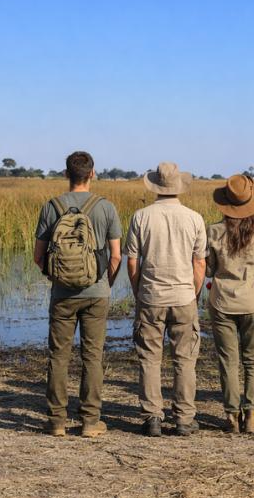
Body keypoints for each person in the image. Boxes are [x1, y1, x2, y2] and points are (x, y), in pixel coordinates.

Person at [33, 151, 123, 438]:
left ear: (66, 174)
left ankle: (57, 420)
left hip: (62, 294)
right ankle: (89, 421)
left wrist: (56, 276)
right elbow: (117, 255)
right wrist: (104, 281)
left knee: (58, 356)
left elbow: (38, 256)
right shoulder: (106, 207)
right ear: (92, 173)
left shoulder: (52, 206)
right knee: (92, 356)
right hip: (97, 292)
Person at [125, 162, 207, 437]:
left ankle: (152, 417)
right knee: (185, 359)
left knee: (149, 358)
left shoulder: (141, 216)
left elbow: (133, 262)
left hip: (151, 296)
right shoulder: (194, 218)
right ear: (178, 187)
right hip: (184, 296)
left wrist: (139, 291)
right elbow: (199, 263)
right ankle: (184, 417)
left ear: (156, 187)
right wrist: (193, 293)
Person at [206, 174, 254, 434]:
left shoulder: (213, 231)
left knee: (228, 360)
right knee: (253, 360)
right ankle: (253, 415)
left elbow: (209, 268)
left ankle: (232, 415)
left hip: (222, 300)